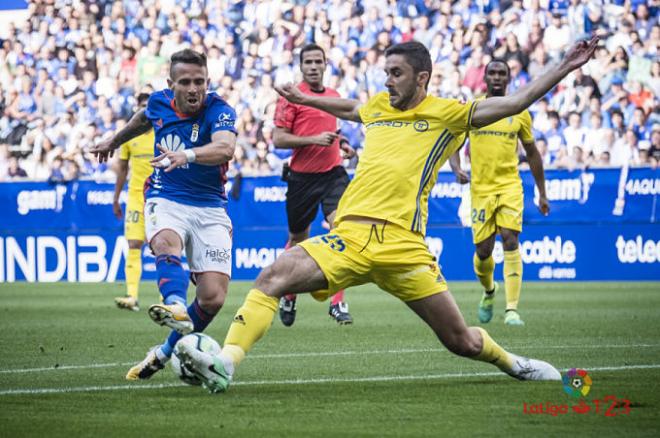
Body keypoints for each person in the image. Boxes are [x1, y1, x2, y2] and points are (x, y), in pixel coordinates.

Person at [176, 37, 599, 394]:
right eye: (386, 72)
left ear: (421, 77)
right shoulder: (378, 106)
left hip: (404, 247)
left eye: (396, 73)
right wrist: (305, 98)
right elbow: (351, 107)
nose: (387, 80)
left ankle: (513, 362)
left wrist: (564, 65)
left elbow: (517, 102)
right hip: (351, 237)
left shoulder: (448, 114)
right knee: (271, 278)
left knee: (461, 341)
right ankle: (226, 363)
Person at [90, 49, 237, 380]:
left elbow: (225, 148)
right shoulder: (159, 103)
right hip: (165, 196)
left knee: (212, 298)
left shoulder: (221, 110)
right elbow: (143, 118)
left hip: (211, 206)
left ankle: (163, 352)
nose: (193, 89)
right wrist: (113, 140)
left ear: (208, 82)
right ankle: (174, 303)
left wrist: (184, 155)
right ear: (171, 85)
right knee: (166, 242)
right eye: (184, 82)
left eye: (199, 81)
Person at [449, 59, 549, 327]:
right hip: (480, 189)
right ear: (484, 77)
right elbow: (454, 142)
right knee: (483, 251)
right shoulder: (474, 109)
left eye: (501, 73)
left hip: (509, 186)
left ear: (508, 78)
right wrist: (456, 167)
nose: (496, 77)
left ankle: (512, 310)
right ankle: (490, 291)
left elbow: (532, 154)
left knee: (510, 239)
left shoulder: (519, 111)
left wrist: (542, 192)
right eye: (491, 72)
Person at [273, 43, 357, 326]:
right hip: (302, 179)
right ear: (301, 66)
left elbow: (333, 132)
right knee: (298, 240)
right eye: (307, 61)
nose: (312, 66)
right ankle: (288, 292)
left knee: (343, 230)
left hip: (333, 174)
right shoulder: (290, 97)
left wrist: (343, 144)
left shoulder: (333, 96)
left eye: (317, 61)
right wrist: (313, 140)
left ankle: (337, 302)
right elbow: (278, 139)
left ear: (325, 64)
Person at [112, 92, 154, 312]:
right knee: (134, 244)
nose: (145, 110)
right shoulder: (129, 137)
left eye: (148, 106)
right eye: (142, 106)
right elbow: (122, 169)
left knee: (162, 247)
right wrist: (116, 197)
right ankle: (132, 295)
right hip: (136, 197)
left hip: (159, 197)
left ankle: (169, 299)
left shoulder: (163, 132)